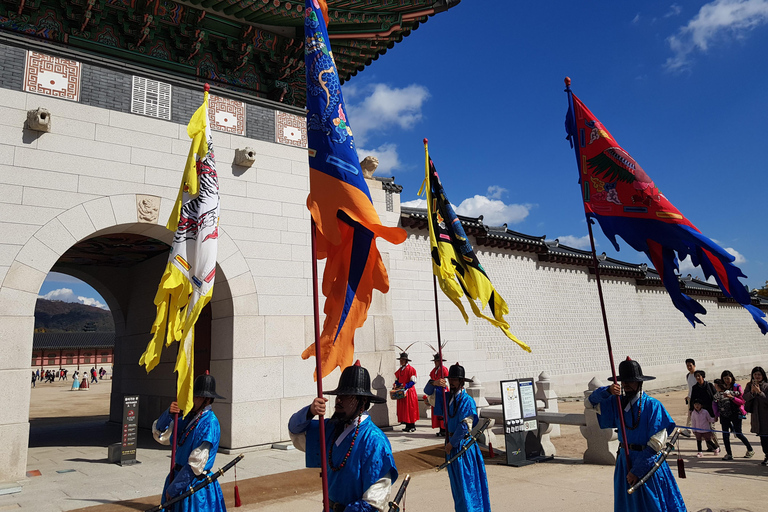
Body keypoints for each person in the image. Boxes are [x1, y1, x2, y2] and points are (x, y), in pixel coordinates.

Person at [288, 361, 398, 511]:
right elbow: (295, 431)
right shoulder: (331, 428)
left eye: (347, 396)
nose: (339, 399)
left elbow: (374, 501)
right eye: (339, 395)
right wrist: (310, 411)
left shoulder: (375, 440)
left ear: (362, 401)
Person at [587, 358, 686, 512]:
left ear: (640, 382)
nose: (626, 384)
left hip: (647, 462)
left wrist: (637, 470)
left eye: (630, 381)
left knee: (652, 503)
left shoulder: (653, 405)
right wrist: (607, 391)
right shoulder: (617, 403)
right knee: (627, 504)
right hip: (624, 461)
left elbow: (656, 443)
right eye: (624, 381)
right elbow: (589, 403)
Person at [152, 371, 226, 511]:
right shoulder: (189, 419)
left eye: (195, 396)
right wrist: (169, 413)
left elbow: (196, 464)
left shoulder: (209, 423)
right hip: (178, 477)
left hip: (194, 485)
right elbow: (161, 430)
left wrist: (174, 488)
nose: (191, 399)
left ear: (206, 400)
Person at [432, 362, 490, 512]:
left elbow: (465, 425)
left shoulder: (467, 400)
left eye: (455, 380)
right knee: (457, 487)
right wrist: (434, 383)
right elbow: (428, 391)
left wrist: (452, 443)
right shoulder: (447, 397)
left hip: (463, 447)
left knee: (467, 485)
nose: (451, 382)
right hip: (451, 444)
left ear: (462, 382)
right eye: (450, 379)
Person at [713, 373, 754, 460]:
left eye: (728, 378)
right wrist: (716, 414)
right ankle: (729, 454)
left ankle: (750, 449)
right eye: (724, 378)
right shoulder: (721, 388)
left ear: (732, 378)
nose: (726, 380)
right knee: (725, 435)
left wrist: (732, 397)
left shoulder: (736, 387)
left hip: (735, 413)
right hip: (724, 415)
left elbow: (742, 401)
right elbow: (715, 402)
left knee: (738, 433)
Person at [743, 366, 768, 466]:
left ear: (763, 375)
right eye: (755, 374)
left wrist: (759, 392)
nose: (757, 376)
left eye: (759, 374)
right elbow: (745, 397)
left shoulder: (766, 386)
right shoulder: (749, 385)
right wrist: (752, 392)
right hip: (757, 417)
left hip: (766, 416)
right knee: (763, 438)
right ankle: (767, 455)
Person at [689, 370, 719, 452]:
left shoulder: (709, 386)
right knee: (703, 429)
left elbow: (715, 397)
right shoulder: (695, 388)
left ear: (703, 376)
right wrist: (691, 409)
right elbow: (692, 399)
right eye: (696, 376)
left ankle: (716, 446)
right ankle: (710, 447)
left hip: (710, 411)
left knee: (711, 429)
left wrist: (716, 410)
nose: (697, 378)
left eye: (699, 376)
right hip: (700, 412)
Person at [393, 352, 419, 432]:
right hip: (402, 391)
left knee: (410, 409)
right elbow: (397, 380)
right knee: (404, 409)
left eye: (403, 360)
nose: (401, 361)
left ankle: (412, 426)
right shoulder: (400, 370)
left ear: (406, 361)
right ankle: (407, 425)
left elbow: (413, 381)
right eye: (400, 360)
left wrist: (405, 386)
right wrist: (396, 385)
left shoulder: (411, 369)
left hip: (409, 391)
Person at [426, 353, 449, 437]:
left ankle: (444, 429)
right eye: (435, 361)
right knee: (437, 412)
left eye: (437, 361)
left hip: (442, 392)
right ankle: (441, 429)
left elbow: (446, 382)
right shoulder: (434, 370)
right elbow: (431, 380)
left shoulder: (444, 370)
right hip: (436, 392)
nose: (435, 363)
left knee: (443, 411)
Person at [683, 359, 696, 435]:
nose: (689, 367)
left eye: (690, 365)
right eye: (687, 366)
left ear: (694, 366)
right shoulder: (688, 376)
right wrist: (688, 396)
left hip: (697, 398)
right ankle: (688, 430)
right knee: (690, 414)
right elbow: (690, 387)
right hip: (690, 398)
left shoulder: (697, 375)